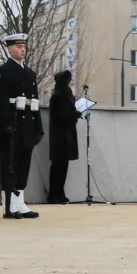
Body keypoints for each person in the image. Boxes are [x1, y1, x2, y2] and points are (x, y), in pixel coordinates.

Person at [0, 32, 43, 218]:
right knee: (9, 164)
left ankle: (19, 200)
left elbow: (34, 100)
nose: (22, 49)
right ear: (9, 49)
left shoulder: (29, 73)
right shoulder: (2, 71)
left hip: (27, 124)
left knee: (24, 164)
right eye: (18, 47)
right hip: (11, 124)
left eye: (24, 47)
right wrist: (5, 124)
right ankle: (8, 203)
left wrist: (38, 126)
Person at [46, 70, 81, 204]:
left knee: (62, 165)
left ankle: (59, 193)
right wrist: (74, 114)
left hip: (65, 135)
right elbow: (63, 116)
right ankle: (54, 194)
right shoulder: (59, 95)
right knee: (58, 166)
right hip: (60, 136)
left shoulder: (64, 94)